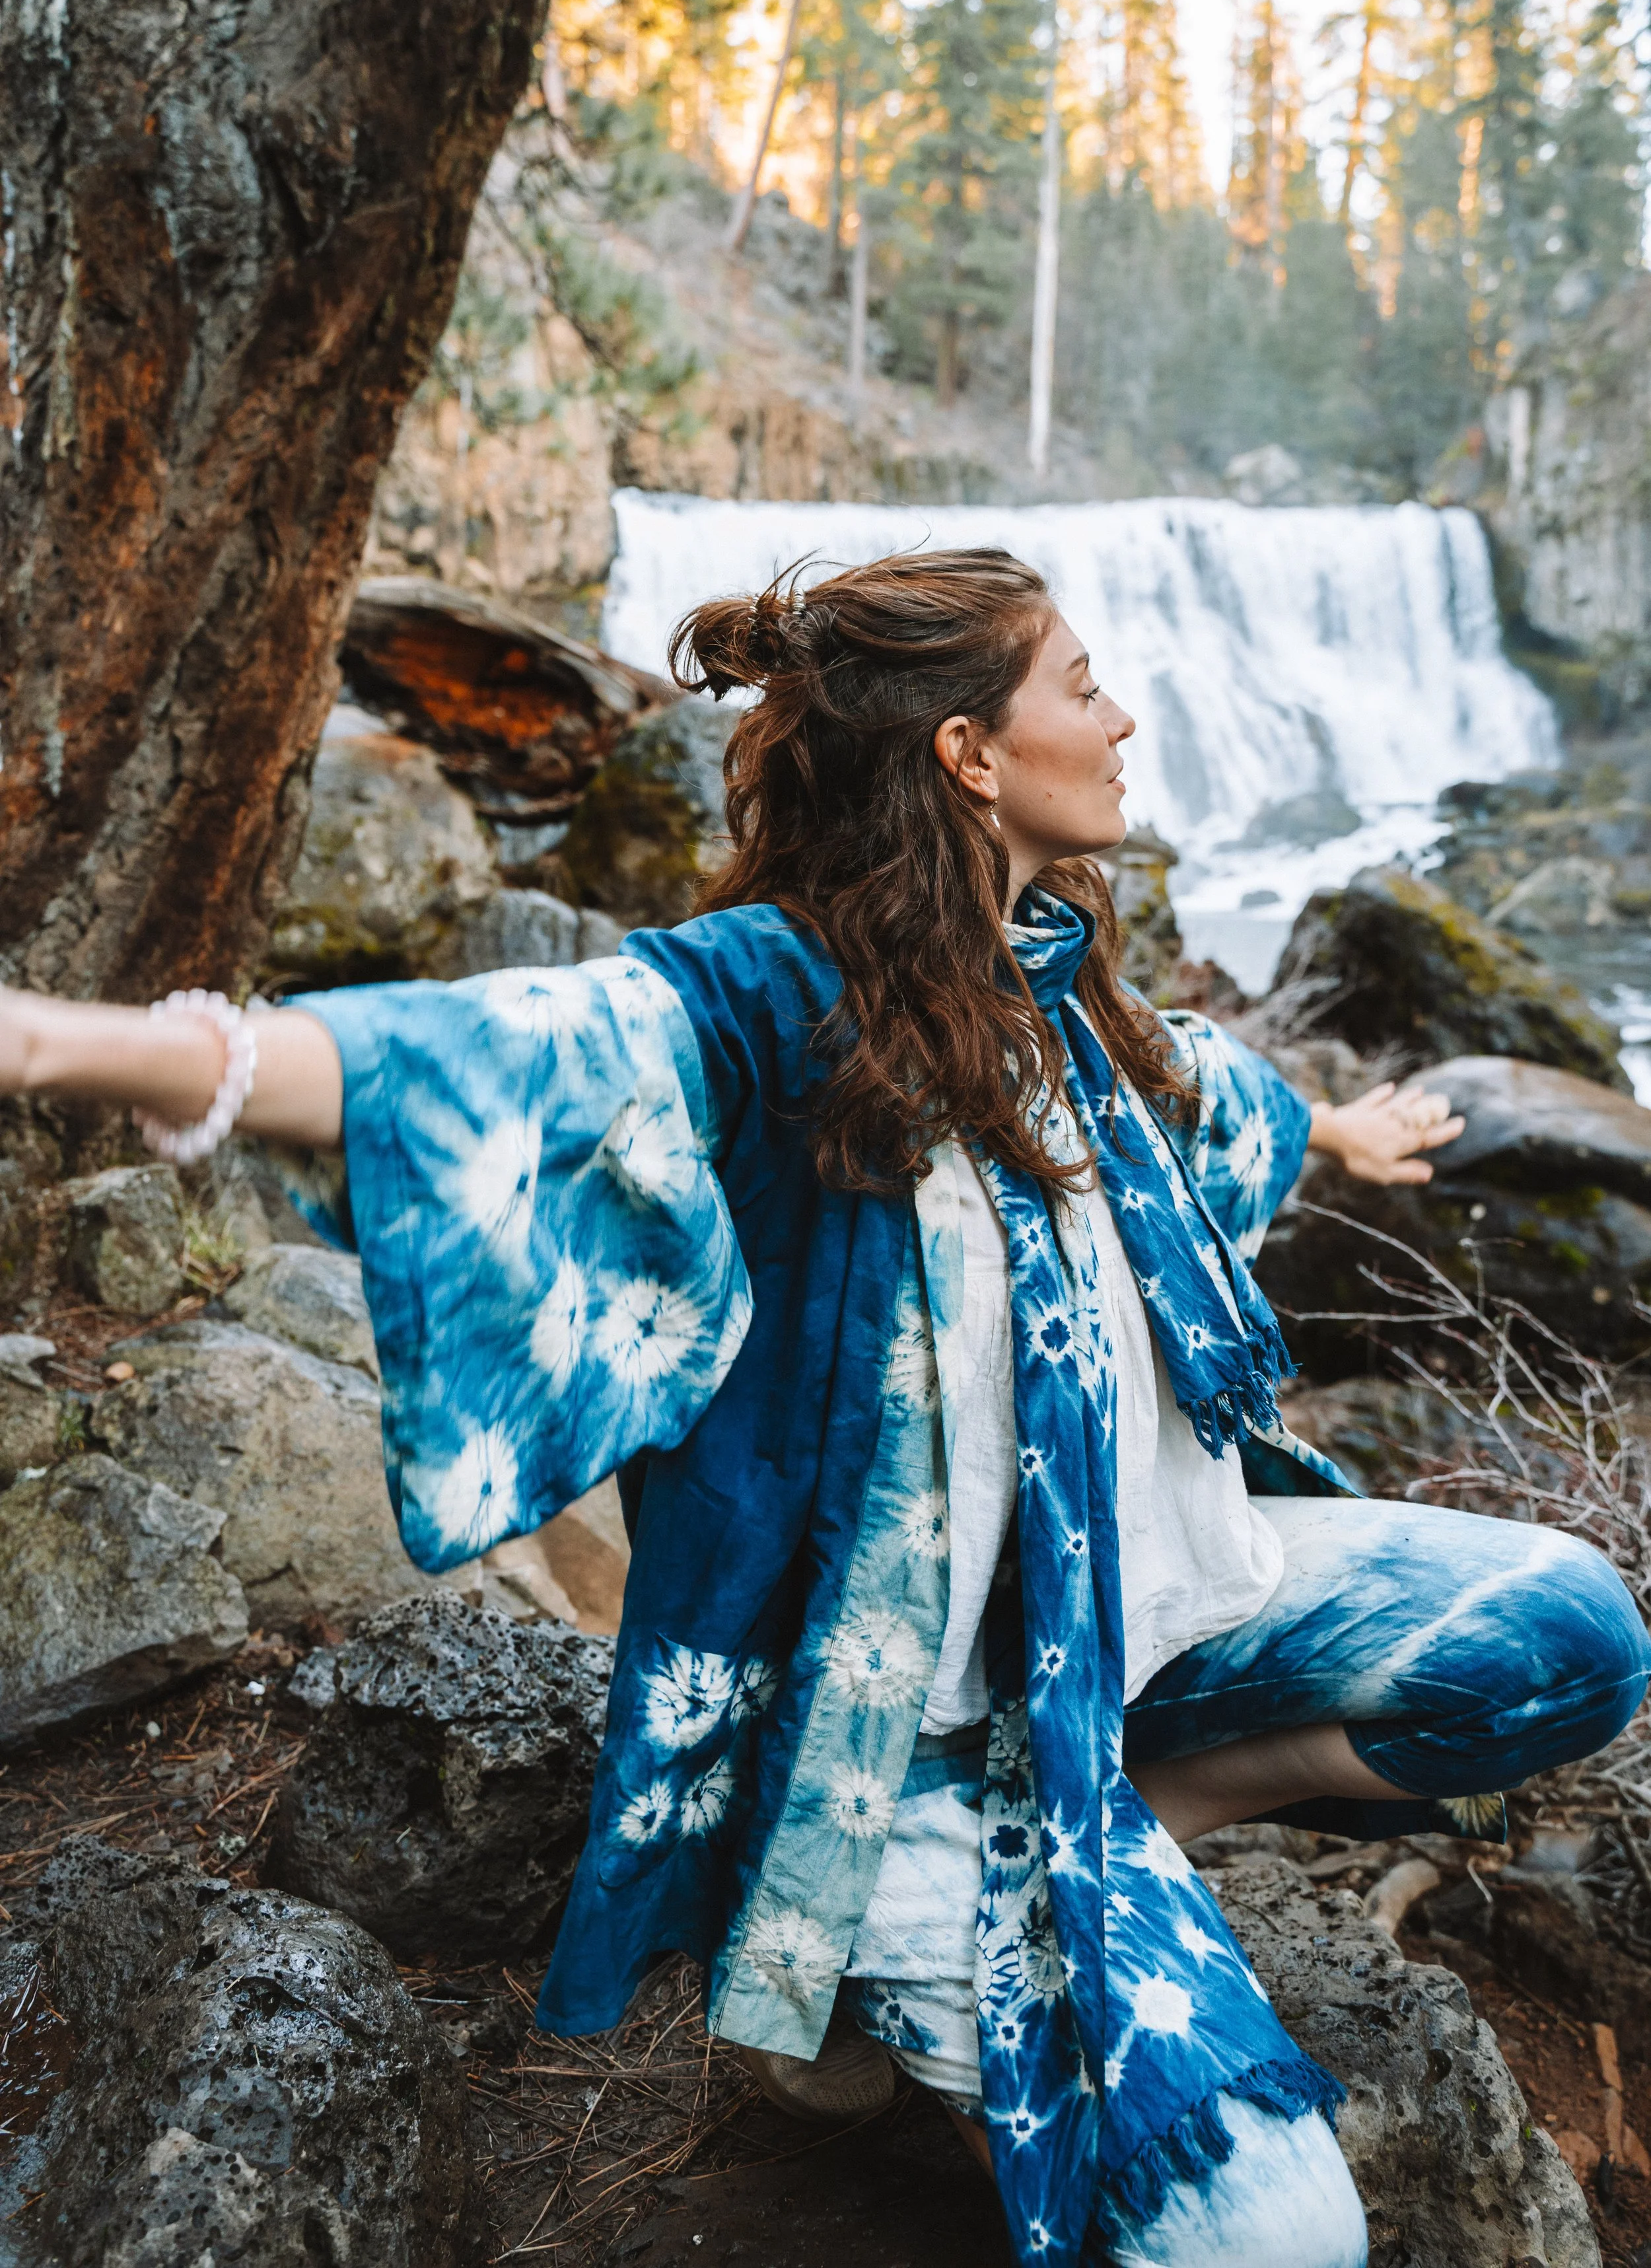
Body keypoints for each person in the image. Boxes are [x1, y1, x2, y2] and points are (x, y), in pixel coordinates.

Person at [3, 548, 1646, 2268]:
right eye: (1082, 683)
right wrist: (49, 1042)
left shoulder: (1063, 989)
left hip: (1125, 1636)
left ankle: (1133, 1815)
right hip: (909, 1727)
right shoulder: (766, 1006)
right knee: (1271, 2237)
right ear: (968, 753)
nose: (1128, 712)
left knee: (1566, 1632)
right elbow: (462, 1047)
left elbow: (1214, 1095)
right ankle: (854, 1920)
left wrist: (1346, 1131)